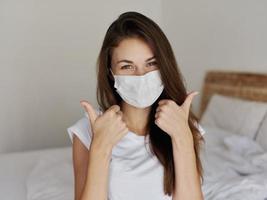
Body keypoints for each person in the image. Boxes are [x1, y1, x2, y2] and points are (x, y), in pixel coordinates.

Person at [67, 11, 206, 200]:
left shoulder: (183, 125)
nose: (141, 76)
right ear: (111, 73)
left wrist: (182, 137)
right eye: (127, 66)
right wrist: (100, 147)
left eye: (151, 64)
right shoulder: (87, 130)